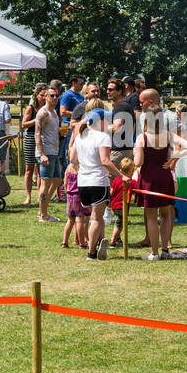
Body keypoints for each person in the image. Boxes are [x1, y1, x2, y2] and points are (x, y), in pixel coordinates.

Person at [131, 107, 187, 259]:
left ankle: (154, 253)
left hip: (148, 179)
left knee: (151, 216)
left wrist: (135, 153)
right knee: (166, 214)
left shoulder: (142, 137)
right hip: (165, 177)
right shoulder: (168, 135)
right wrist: (172, 158)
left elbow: (138, 162)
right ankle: (165, 250)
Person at [70, 106, 120, 260]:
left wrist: (83, 168)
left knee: (96, 217)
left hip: (83, 183)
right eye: (106, 119)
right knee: (97, 219)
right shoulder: (103, 137)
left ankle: (100, 243)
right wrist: (121, 176)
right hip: (98, 182)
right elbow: (105, 161)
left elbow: (72, 160)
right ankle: (91, 253)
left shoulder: (80, 136)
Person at [35, 86, 63, 222]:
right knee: (45, 183)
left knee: (58, 180)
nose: (55, 98)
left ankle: (43, 208)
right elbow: (37, 134)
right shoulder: (43, 113)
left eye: (57, 95)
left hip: (54, 150)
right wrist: (42, 154)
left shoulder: (54, 112)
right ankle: (43, 215)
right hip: (46, 152)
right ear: (45, 96)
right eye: (52, 95)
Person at [20, 83, 45, 206]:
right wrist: (37, 120)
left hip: (42, 137)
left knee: (41, 169)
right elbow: (23, 124)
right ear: (36, 95)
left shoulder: (47, 108)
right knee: (29, 169)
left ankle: (40, 196)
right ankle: (28, 197)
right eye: (42, 95)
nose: (44, 97)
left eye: (46, 95)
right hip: (30, 137)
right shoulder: (31, 108)